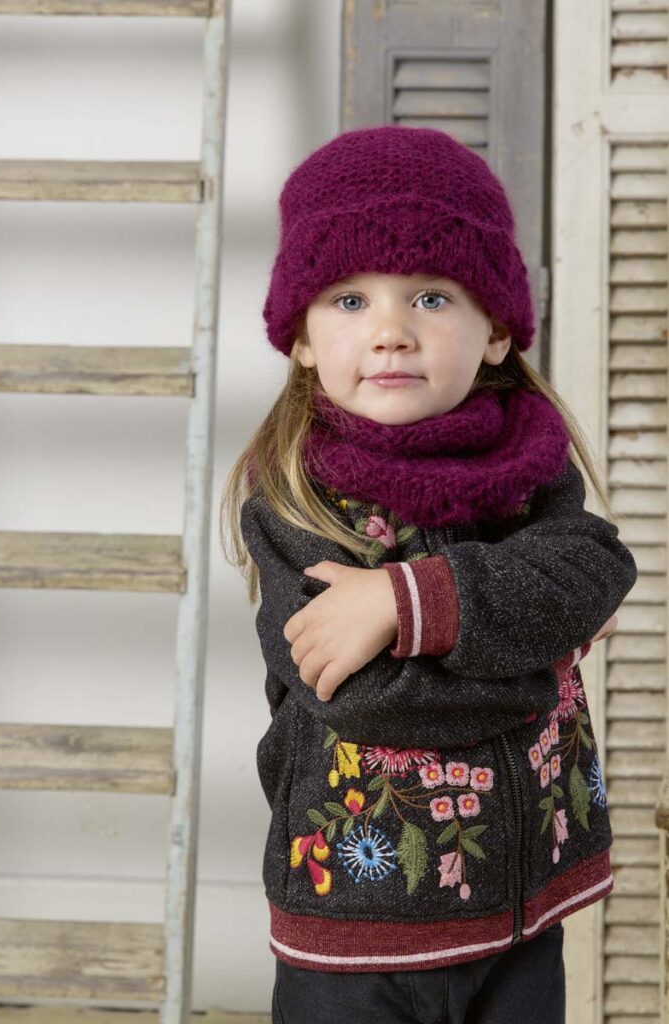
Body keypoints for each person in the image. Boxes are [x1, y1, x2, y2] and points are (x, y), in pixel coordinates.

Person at [219, 125, 638, 1024]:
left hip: (524, 905)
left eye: (431, 296)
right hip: (358, 923)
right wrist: (549, 650)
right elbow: (367, 699)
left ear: (496, 331)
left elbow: (596, 564)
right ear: (300, 337)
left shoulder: (528, 466)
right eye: (348, 299)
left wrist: (404, 601)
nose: (389, 333)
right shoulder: (293, 495)